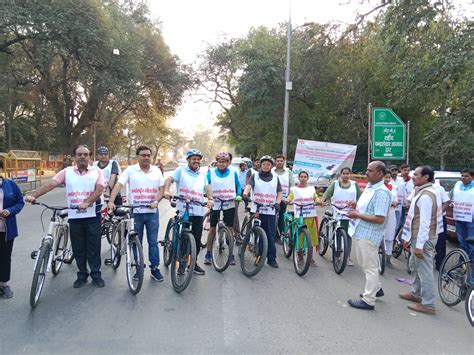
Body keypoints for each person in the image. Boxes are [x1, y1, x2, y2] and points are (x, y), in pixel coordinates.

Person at [25, 145, 105, 288]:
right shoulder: (67, 172)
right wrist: (33, 195)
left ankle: (96, 274)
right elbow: (51, 184)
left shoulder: (97, 171)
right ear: (74, 156)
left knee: (93, 246)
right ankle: (82, 275)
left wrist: (87, 202)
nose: (82, 157)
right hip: (75, 216)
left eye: (85, 154)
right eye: (79, 154)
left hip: (93, 215)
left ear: (89, 157)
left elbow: (99, 189)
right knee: (78, 247)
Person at [108, 145, 165, 282]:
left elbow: (162, 189)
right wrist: (111, 201)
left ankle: (154, 268)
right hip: (135, 213)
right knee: (135, 241)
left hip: (152, 212)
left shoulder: (156, 170)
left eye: (148, 155)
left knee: (153, 242)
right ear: (137, 157)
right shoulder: (130, 170)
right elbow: (118, 185)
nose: (146, 157)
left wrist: (156, 201)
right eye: (143, 155)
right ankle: (138, 268)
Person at [346, 161, 391, 310]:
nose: (366, 173)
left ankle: (368, 300)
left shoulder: (381, 192)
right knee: (364, 263)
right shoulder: (370, 187)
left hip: (370, 234)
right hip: (360, 231)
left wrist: (357, 214)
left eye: (370, 171)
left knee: (370, 266)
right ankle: (376, 289)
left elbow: (379, 218)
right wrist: (356, 207)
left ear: (379, 173)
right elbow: (368, 209)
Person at [164, 149, 213, 275]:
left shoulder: (202, 175)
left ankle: (193, 263)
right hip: (184, 209)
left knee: (196, 239)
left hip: (197, 210)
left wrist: (211, 199)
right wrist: (166, 190)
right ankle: (181, 262)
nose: (196, 161)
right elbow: (169, 179)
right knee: (183, 238)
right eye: (193, 158)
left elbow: (207, 187)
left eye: (198, 159)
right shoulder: (181, 170)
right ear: (188, 160)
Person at [399, 165, 441, 315]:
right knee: (414, 265)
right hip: (418, 236)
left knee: (424, 270)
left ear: (426, 177)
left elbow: (425, 223)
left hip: (423, 238)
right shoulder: (422, 191)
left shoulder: (426, 196)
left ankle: (428, 304)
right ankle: (416, 293)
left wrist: (419, 246)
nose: (412, 176)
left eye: (416, 174)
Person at [243, 155, 282, 268]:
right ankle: (258, 254)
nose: (266, 166)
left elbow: (279, 192)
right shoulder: (254, 176)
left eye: (268, 164)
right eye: (264, 164)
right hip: (257, 208)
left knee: (270, 234)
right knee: (256, 232)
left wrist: (278, 203)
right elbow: (249, 186)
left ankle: (271, 258)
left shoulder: (275, 178)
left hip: (270, 209)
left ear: (271, 166)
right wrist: (245, 194)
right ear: (260, 165)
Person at [203, 152, 241, 266]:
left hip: (229, 202)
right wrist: (206, 194)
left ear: (228, 163)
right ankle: (208, 253)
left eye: (224, 162)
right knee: (213, 229)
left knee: (229, 229)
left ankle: (231, 254)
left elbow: (238, 186)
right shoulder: (211, 172)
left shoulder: (233, 173)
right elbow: (205, 184)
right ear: (217, 162)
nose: (221, 164)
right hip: (216, 202)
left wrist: (239, 194)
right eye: (219, 161)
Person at [323, 167, 362, 266]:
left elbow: (360, 198)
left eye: (347, 173)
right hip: (337, 212)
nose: (345, 175)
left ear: (350, 174)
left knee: (348, 235)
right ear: (340, 174)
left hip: (349, 213)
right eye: (343, 173)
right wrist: (322, 200)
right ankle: (337, 254)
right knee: (337, 233)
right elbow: (327, 194)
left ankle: (347, 256)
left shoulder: (354, 185)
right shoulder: (335, 184)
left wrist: (357, 204)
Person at [0, 160, 25, 298]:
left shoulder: (10, 185)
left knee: (4, 257)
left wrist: (10, 211)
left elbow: (20, 202)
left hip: (6, 230)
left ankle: (4, 284)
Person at [288, 170, 319, 266]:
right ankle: (300, 255)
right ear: (298, 178)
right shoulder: (294, 189)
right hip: (300, 215)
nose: (303, 178)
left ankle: (310, 257)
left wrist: (318, 200)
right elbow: (291, 197)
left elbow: (315, 197)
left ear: (307, 178)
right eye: (301, 177)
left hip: (310, 215)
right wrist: (288, 200)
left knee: (312, 237)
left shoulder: (311, 189)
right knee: (300, 236)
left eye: (305, 177)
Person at [450, 168, 474, 284]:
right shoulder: (457, 185)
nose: (463, 178)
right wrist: (451, 203)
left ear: (472, 177)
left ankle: (471, 270)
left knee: (471, 245)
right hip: (460, 218)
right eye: (462, 176)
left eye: (466, 176)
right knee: (462, 243)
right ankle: (461, 266)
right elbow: (451, 197)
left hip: (471, 220)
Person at [273, 154, 295, 244]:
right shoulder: (271, 171)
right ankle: (272, 234)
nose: (279, 162)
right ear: (275, 162)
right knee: (272, 217)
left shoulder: (288, 172)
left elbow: (292, 185)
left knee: (282, 217)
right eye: (278, 160)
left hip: (284, 198)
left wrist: (290, 197)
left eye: (281, 161)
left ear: (284, 162)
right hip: (272, 198)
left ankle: (280, 235)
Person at [433, 179, 449, 271]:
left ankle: (440, 264)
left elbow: (446, 202)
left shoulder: (439, 188)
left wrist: (439, 212)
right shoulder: (418, 187)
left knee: (441, 241)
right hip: (424, 218)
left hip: (439, 218)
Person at [383, 171, 398, 269]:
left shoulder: (394, 188)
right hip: (380, 215)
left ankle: (388, 258)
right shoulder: (376, 188)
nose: (387, 179)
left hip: (391, 214)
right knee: (379, 236)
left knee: (390, 236)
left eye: (389, 178)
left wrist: (395, 202)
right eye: (385, 177)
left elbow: (396, 199)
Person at [397, 163, 414, 231]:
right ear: (401, 170)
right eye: (405, 170)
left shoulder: (412, 180)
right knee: (398, 222)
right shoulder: (397, 179)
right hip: (398, 205)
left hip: (407, 205)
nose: (406, 172)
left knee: (405, 223)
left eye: (408, 170)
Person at [389, 165, 403, 230]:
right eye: (392, 171)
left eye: (396, 171)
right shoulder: (387, 180)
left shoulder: (401, 180)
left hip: (399, 206)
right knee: (390, 225)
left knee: (397, 224)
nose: (394, 172)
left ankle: (394, 239)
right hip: (390, 206)